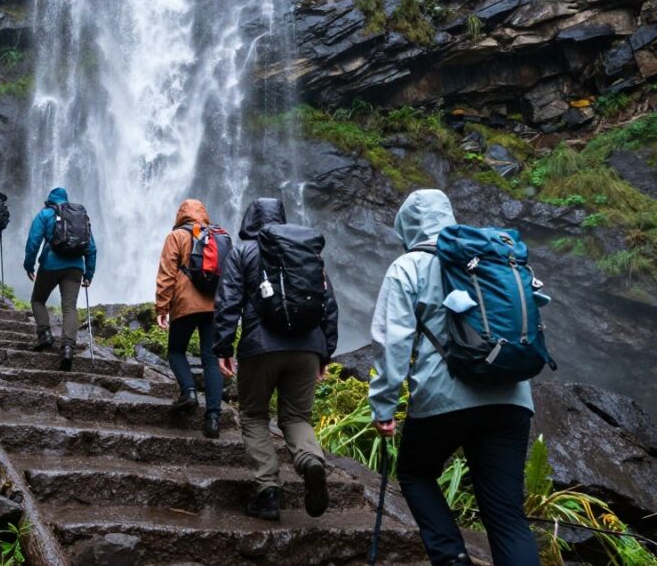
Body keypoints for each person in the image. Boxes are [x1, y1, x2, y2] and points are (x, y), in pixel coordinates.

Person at [369, 189, 538, 566]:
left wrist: (383, 405)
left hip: (444, 398)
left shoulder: (409, 265)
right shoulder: (495, 253)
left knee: (415, 473)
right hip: (510, 396)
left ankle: (452, 558)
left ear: (406, 226)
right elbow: (535, 307)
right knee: (507, 517)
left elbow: (391, 340)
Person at [213, 197, 338, 522]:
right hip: (308, 347)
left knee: (254, 415)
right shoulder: (308, 251)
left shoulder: (243, 251)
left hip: (261, 347)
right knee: (297, 418)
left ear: (250, 219)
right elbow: (328, 303)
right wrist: (325, 351)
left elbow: (228, 301)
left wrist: (223, 347)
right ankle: (310, 461)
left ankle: (268, 492)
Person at [155, 199, 224, 438]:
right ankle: (214, 418)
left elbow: (167, 274)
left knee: (175, 351)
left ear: (181, 214)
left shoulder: (177, 236)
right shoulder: (218, 236)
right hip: (215, 306)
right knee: (211, 360)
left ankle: (189, 392)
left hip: (185, 304)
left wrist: (161, 307)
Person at [24, 187, 97, 372]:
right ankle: (67, 348)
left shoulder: (46, 214)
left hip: (50, 265)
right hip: (75, 269)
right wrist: (89, 274)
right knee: (69, 308)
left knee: (38, 300)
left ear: (49, 199)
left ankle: (45, 335)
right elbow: (91, 247)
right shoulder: (79, 216)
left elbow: (34, 241)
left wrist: (29, 265)